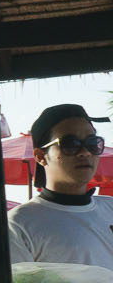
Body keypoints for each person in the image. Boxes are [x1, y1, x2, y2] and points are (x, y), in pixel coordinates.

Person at [7, 102, 113, 270]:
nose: (85, 152)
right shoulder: (19, 224)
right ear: (40, 156)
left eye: (92, 143)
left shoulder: (110, 207)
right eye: (70, 144)